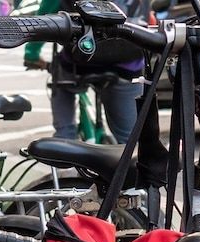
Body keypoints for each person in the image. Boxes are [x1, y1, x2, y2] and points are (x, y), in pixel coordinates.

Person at [24, 0, 142, 143]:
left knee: (60, 77)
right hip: (128, 63)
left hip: (79, 62)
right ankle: (131, 157)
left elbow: (42, 22)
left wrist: (32, 55)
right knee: (130, 140)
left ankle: (65, 140)